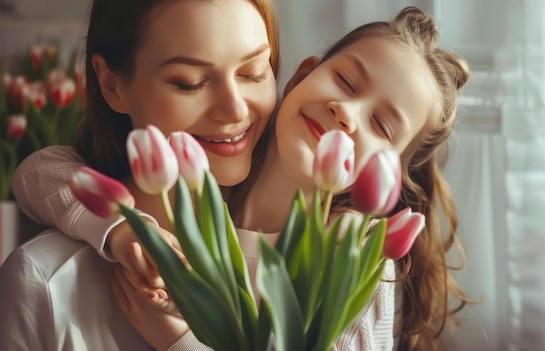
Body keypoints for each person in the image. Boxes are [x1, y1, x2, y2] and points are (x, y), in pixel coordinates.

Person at [8, 4, 470, 351]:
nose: (346, 114)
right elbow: (39, 172)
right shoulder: (201, 192)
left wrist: (183, 342)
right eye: (346, 83)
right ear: (301, 76)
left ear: (389, 174)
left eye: (382, 127)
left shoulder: (354, 260)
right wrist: (125, 228)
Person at [0, 0, 279, 350]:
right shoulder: (45, 281)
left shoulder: (306, 266)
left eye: (253, 72)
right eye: (190, 83)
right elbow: (36, 172)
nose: (235, 108)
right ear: (112, 85)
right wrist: (123, 227)